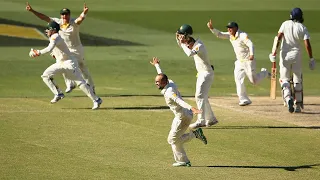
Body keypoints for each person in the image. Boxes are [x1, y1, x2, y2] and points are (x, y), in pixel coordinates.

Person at [29, 21, 102, 110]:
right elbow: (54, 50)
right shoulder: (53, 37)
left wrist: (38, 52)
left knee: (80, 83)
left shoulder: (55, 36)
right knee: (46, 75)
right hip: (60, 63)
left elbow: (49, 48)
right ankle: (58, 93)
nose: (47, 31)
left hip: (69, 63)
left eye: (49, 29)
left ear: (53, 30)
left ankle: (96, 100)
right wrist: (54, 54)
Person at [150, 57, 207, 167]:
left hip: (183, 117)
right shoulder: (169, 82)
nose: (156, 83)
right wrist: (157, 65)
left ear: (164, 82)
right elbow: (162, 74)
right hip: (181, 116)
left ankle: (194, 135)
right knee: (174, 140)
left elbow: (179, 101)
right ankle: (183, 160)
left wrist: (192, 108)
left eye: (158, 82)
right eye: (156, 82)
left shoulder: (169, 92)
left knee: (172, 140)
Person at [26, 2, 95, 94]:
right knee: (61, 63)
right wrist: (32, 11)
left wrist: (84, 13)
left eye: (66, 14)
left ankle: (91, 86)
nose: (64, 16)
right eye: (63, 14)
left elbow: (80, 19)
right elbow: (44, 17)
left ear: (69, 15)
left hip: (77, 49)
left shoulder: (73, 22)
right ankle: (70, 84)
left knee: (82, 68)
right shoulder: (57, 22)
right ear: (60, 15)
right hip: (66, 49)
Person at [207, 20, 270, 106]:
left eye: (231, 28)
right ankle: (243, 99)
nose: (229, 30)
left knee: (254, 81)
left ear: (236, 28)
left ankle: (265, 73)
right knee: (238, 79)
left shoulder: (243, 35)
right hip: (239, 62)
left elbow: (251, 44)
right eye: (228, 28)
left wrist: (252, 54)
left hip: (248, 61)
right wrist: (212, 28)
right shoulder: (230, 35)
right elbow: (220, 34)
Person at [269, 7, 315, 113]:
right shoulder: (302, 27)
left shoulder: (285, 24)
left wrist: (273, 52)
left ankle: (288, 98)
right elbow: (307, 44)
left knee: (284, 79)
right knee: (297, 80)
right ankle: (298, 105)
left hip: (284, 55)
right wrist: (311, 58)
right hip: (296, 55)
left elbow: (278, 37)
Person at [175, 24, 218, 129]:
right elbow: (184, 45)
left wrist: (183, 43)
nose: (181, 38)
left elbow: (189, 53)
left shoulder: (199, 45)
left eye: (182, 36)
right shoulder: (190, 43)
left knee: (199, 96)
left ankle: (201, 120)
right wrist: (181, 41)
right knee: (202, 97)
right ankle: (211, 119)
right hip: (201, 73)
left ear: (187, 36)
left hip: (206, 73)